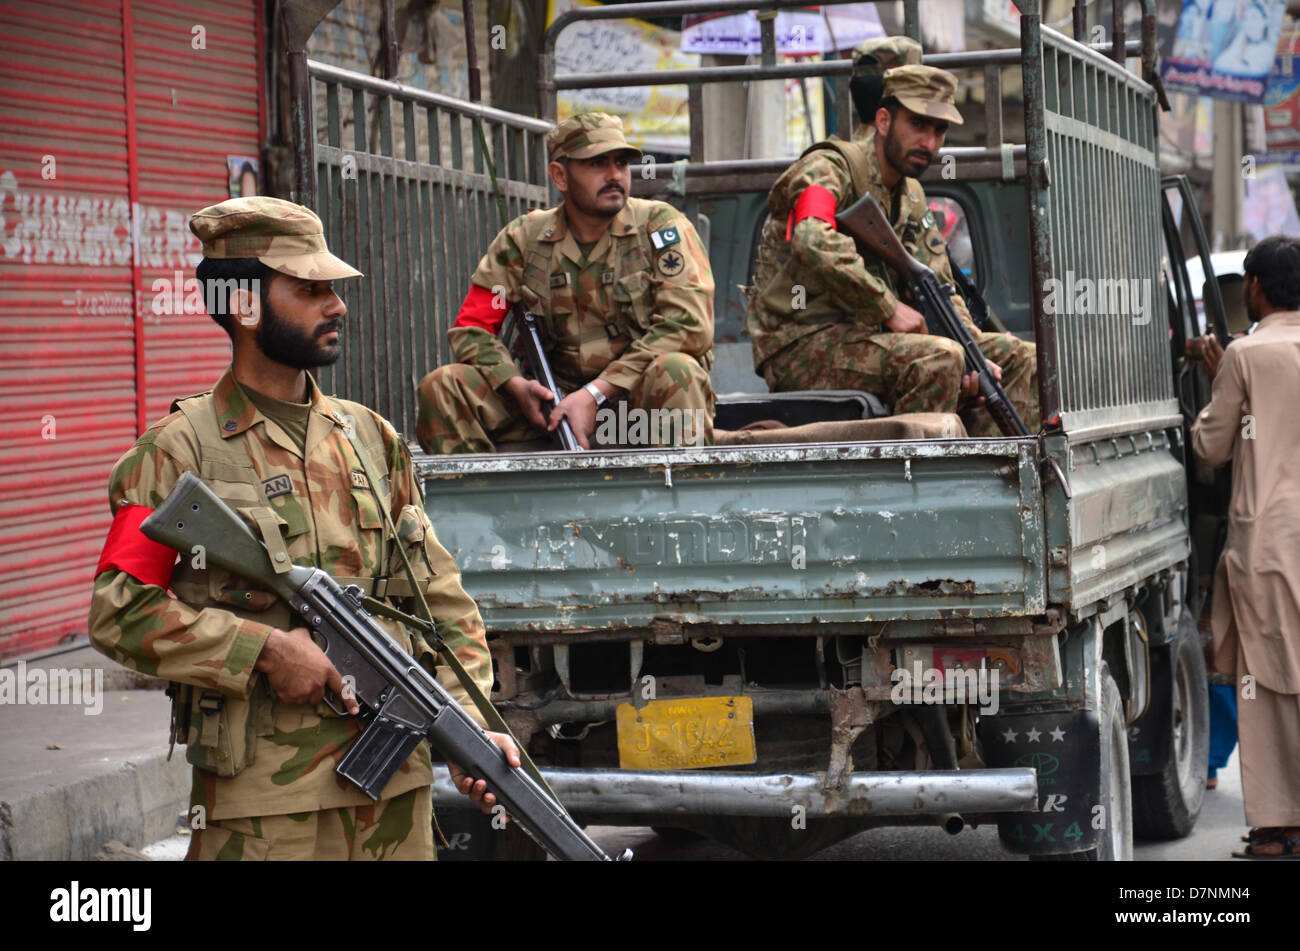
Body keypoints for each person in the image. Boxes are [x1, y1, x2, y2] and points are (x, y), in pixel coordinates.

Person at [87, 196, 518, 860]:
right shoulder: (176, 453)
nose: (337, 304)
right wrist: (263, 649)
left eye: (333, 289)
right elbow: (120, 611)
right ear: (243, 302)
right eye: (310, 288)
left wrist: (470, 725)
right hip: (265, 807)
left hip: (394, 799)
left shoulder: (370, 438)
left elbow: (440, 601)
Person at [746, 45, 1039, 437]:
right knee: (939, 359)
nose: (930, 143)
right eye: (918, 124)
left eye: (939, 131)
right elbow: (811, 237)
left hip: (867, 339)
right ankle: (919, 489)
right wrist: (887, 307)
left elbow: (941, 288)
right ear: (883, 120)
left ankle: (990, 482)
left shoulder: (911, 195)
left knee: (1019, 358)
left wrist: (972, 349)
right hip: (800, 342)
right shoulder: (828, 167)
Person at [416, 111, 716, 453]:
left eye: (620, 162)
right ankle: (483, 503)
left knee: (677, 369)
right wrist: (515, 385)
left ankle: (676, 502)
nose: (614, 174)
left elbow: (688, 325)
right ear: (560, 176)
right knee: (442, 385)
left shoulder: (659, 226)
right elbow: (474, 326)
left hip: (637, 410)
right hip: (550, 411)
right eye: (596, 164)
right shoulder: (524, 238)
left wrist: (595, 393)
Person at [1190, 234, 1300, 858]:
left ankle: (1277, 827)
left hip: (1271, 544)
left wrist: (1218, 381)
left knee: (1267, 678)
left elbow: (1211, 447)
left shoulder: (1246, 355)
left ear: (1256, 287)